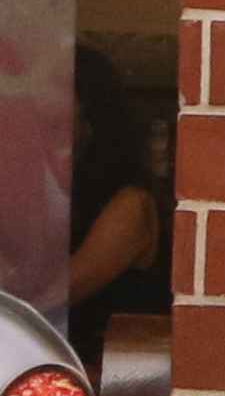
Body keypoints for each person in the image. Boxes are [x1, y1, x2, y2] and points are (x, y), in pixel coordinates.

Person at [66, 39, 169, 358]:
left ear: (90, 120)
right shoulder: (64, 193)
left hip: (111, 374)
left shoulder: (130, 204)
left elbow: (61, 292)